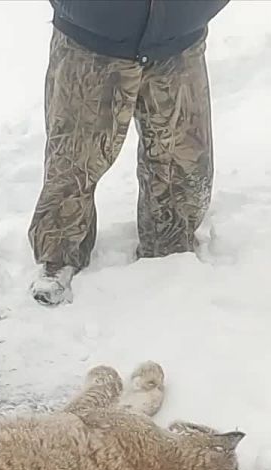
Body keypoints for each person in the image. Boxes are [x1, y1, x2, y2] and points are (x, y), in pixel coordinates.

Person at [28, 0, 229, 306]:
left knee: (181, 159)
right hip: (92, 37)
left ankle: (171, 249)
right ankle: (58, 256)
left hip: (178, 34)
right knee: (73, 159)